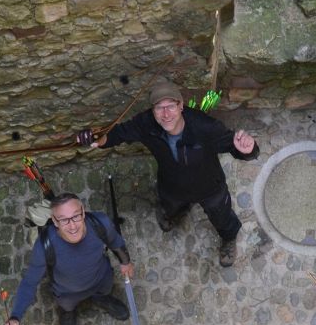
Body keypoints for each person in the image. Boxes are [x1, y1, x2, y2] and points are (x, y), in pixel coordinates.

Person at [77, 80, 259, 267]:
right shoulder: (146, 123)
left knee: (222, 216)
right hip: (172, 185)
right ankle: (175, 214)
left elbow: (235, 146)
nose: (165, 114)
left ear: (181, 106)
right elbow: (118, 133)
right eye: (159, 108)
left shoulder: (205, 126)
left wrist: (248, 150)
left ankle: (228, 237)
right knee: (170, 207)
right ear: (153, 110)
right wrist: (97, 139)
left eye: (171, 106)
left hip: (209, 186)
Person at [4, 193, 135, 325]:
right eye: (64, 220)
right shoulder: (44, 245)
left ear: (83, 212)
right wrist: (16, 315)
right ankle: (68, 312)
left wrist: (125, 262)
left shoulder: (100, 223)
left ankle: (102, 299)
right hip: (67, 292)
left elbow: (115, 241)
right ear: (55, 221)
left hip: (101, 278)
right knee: (67, 305)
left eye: (76, 216)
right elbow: (29, 282)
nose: (72, 226)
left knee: (104, 291)